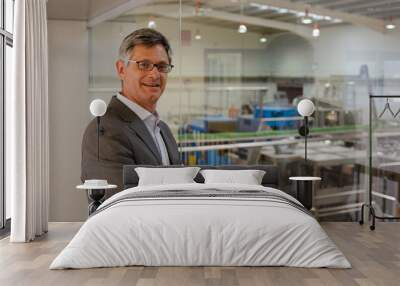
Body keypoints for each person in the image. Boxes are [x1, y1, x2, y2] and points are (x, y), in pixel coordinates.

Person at [81, 28, 181, 197]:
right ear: (121, 69)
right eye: (144, 65)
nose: (155, 74)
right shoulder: (104, 131)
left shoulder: (162, 129)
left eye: (162, 66)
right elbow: (120, 205)